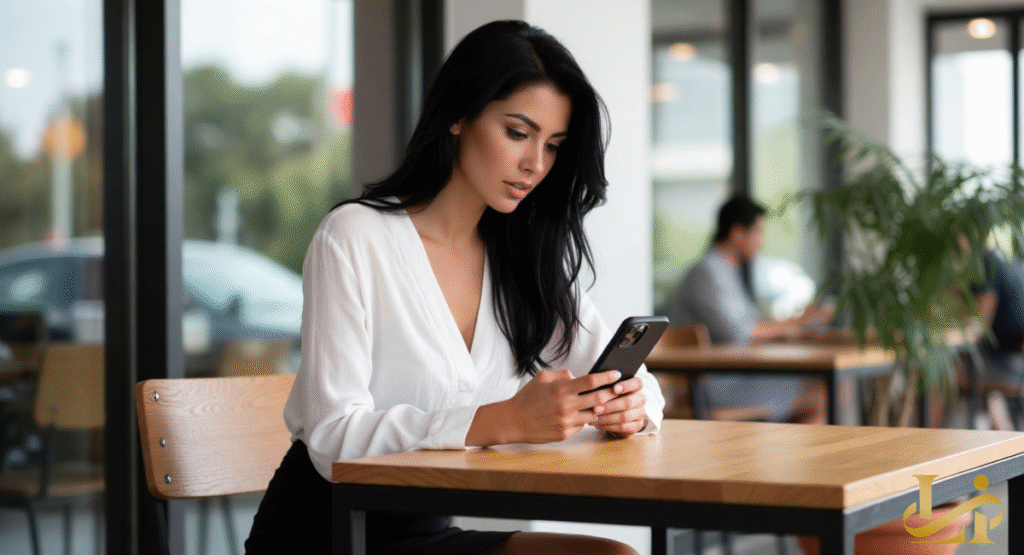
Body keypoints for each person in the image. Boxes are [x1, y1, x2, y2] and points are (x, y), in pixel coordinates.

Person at [244, 20, 664, 555]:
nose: (535, 165)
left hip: (427, 535)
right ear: (459, 117)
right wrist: (502, 421)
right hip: (323, 535)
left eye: (553, 145)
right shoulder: (355, 237)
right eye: (518, 133)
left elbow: (644, 386)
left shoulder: (522, 257)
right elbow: (330, 440)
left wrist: (630, 409)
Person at [668, 196, 828, 424]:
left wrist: (795, 323)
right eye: (758, 232)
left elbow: (754, 323)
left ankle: (778, 456)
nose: (761, 242)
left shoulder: (728, 272)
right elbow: (742, 332)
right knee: (822, 393)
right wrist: (800, 322)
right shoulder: (708, 272)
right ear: (736, 233)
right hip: (711, 387)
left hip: (733, 378)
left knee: (820, 386)